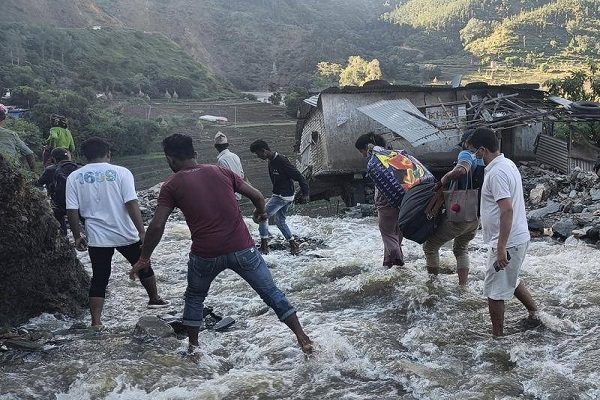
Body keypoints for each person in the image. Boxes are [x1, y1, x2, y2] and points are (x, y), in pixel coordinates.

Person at [128, 134, 313, 357]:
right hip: (243, 249)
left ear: (170, 159)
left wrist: (144, 258)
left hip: (205, 255)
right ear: (194, 154)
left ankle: (194, 348)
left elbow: (157, 226)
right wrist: (261, 212)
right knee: (271, 293)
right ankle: (303, 338)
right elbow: (256, 195)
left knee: (195, 297)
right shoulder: (221, 172)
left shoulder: (171, 186)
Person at [65, 137, 169, 328]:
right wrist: (142, 231)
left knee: (99, 277)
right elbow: (131, 202)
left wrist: (77, 235)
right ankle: (154, 299)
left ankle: (96, 322)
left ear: (84, 157)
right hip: (125, 232)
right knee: (143, 264)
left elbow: (71, 210)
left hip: (97, 237)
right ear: (109, 155)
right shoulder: (122, 172)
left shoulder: (74, 177)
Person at [467, 127, 540, 336]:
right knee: (511, 279)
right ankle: (535, 313)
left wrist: (501, 247)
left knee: (494, 292)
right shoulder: (507, 164)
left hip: (507, 241)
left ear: (482, 150)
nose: (474, 156)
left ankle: (497, 338)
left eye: (474, 152)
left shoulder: (497, 172)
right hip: (516, 237)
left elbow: (507, 209)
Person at [423, 131, 483, 285]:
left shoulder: (466, 154)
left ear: (466, 143)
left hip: (459, 213)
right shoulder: (482, 160)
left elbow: (461, 170)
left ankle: (433, 285)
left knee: (430, 246)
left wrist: (444, 180)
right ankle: (463, 286)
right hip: (475, 215)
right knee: (461, 249)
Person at [249, 139, 309, 255]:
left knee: (262, 216)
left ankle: (264, 246)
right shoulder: (271, 161)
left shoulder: (281, 160)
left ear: (263, 151)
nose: (258, 156)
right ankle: (293, 244)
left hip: (282, 196)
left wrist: (305, 193)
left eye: (258, 153)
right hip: (281, 195)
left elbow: (299, 177)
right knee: (280, 221)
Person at [354, 133, 404, 267]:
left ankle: (396, 262)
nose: (363, 155)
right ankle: (389, 262)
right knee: (396, 233)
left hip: (386, 203)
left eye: (362, 151)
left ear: (367, 147)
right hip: (403, 200)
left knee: (387, 233)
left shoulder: (376, 160)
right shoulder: (393, 154)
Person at [36, 147, 78, 235]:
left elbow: (39, 183)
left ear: (53, 159)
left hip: (60, 204)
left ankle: (64, 237)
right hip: (78, 202)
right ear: (68, 157)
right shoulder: (78, 167)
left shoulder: (50, 169)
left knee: (57, 216)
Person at [0, 103, 35, 171]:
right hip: (11, 171)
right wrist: (33, 173)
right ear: (2, 120)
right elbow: (29, 154)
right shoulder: (11, 134)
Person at [214, 131, 245, 200]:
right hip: (239, 191)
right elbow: (242, 174)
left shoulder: (221, 160)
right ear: (227, 145)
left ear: (215, 146)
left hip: (230, 194)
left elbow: (224, 180)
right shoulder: (235, 156)